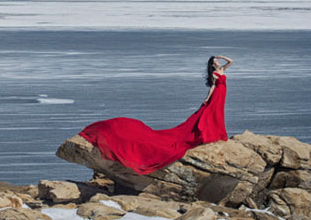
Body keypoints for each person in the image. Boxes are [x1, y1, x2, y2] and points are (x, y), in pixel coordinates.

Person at [78, 55, 233, 175]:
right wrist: (207, 98)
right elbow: (213, 86)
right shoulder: (214, 73)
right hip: (216, 95)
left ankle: (216, 133)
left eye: (217, 62)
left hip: (222, 94)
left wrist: (221, 57)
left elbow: (231, 62)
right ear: (212, 65)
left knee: (217, 115)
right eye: (215, 62)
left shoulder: (221, 70)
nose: (218, 64)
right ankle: (211, 134)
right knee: (210, 115)